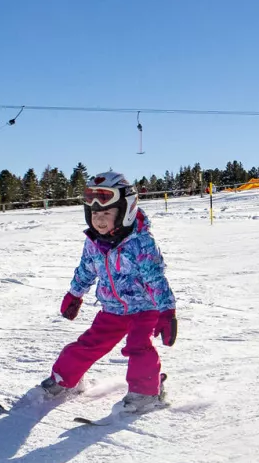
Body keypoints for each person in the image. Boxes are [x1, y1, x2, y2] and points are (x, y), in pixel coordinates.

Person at [41, 172, 177, 414]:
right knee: (88, 344)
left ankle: (147, 393)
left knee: (139, 347)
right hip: (112, 310)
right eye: (94, 214)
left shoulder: (141, 242)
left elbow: (156, 279)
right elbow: (86, 268)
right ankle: (64, 380)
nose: (99, 220)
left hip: (145, 309)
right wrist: (75, 294)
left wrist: (167, 311)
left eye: (106, 213)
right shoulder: (94, 241)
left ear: (125, 212)